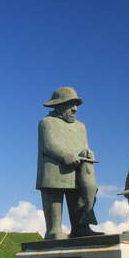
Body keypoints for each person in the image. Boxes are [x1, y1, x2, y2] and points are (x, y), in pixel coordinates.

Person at [36, 86, 99, 240]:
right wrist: (65, 156)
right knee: (54, 201)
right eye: (70, 104)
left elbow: (85, 145)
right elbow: (48, 145)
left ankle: (81, 227)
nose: (75, 109)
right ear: (58, 105)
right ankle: (53, 230)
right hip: (54, 171)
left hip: (78, 172)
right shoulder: (47, 123)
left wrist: (88, 152)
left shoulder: (81, 127)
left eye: (76, 105)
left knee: (79, 200)